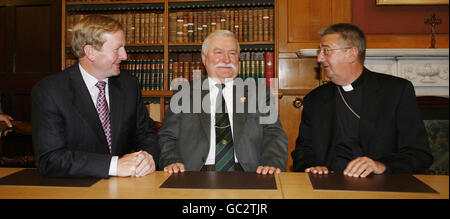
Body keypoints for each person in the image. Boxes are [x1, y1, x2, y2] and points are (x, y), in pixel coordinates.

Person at [291, 23, 433, 178]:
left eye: (326, 50)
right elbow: (302, 152)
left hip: (381, 187)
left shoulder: (396, 91)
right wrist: (312, 167)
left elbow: (419, 154)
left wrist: (381, 166)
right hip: (328, 186)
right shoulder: (315, 99)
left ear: (351, 54)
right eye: (320, 51)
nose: (319, 58)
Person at [31, 15, 159, 178]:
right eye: (117, 49)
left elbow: (146, 133)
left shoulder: (128, 85)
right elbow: (50, 159)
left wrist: (148, 157)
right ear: (90, 52)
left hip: (125, 189)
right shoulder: (50, 91)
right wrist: (113, 166)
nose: (125, 55)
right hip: (73, 191)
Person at [159, 30, 288, 174]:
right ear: (204, 58)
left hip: (249, 173)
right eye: (218, 52)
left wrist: (271, 163)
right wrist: (172, 161)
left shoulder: (259, 93)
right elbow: (167, 136)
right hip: (194, 173)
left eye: (232, 53)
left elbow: (274, 134)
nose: (226, 59)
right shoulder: (184, 93)